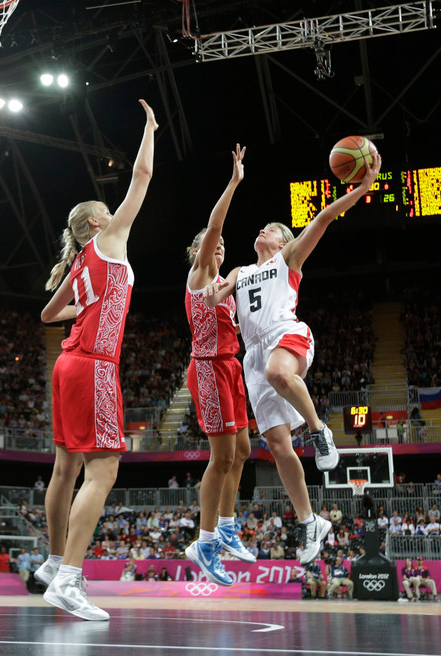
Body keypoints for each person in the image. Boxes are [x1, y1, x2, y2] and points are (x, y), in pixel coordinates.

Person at [205, 151, 382, 565]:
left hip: (286, 333)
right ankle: (310, 522)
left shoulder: (289, 259)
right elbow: (213, 295)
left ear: (283, 242)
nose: (261, 228)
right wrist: (209, 281)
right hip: (252, 356)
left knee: (279, 371)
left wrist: (362, 188)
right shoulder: (239, 272)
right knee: (280, 448)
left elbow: (322, 218)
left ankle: (320, 431)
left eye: (270, 227)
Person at [35, 99, 157, 621]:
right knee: (104, 470)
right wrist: (149, 128)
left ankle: (53, 560)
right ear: (94, 223)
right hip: (94, 365)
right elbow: (143, 175)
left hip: (66, 366)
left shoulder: (79, 262)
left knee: (66, 469)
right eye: (106, 212)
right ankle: (68, 578)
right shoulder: (107, 241)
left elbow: (46, 315)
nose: (115, 213)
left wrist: (85, 310)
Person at [181, 144, 257, 585]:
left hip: (232, 368)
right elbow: (215, 225)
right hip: (208, 368)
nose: (219, 244)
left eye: (223, 244)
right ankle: (205, 540)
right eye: (213, 243)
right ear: (198, 251)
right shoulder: (200, 277)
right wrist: (233, 182)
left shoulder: (225, 285)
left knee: (244, 451)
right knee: (223, 455)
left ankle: (226, 526)